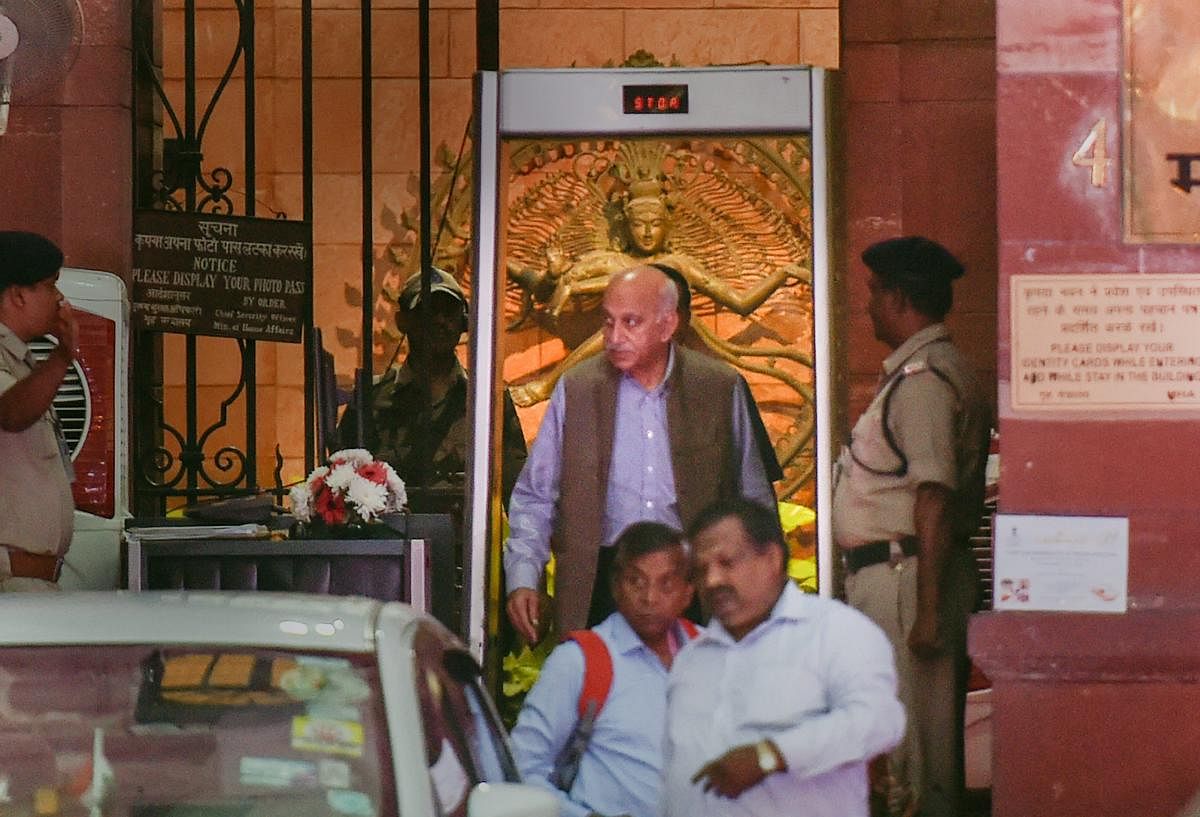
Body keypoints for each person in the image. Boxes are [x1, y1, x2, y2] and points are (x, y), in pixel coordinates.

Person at [503, 264, 777, 643]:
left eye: (631, 323)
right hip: (601, 583)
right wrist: (523, 578)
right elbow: (535, 497)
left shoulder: (718, 388)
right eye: (608, 322)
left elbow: (754, 502)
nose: (615, 337)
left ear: (668, 326)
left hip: (694, 584)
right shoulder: (578, 389)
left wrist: (762, 595)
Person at [831, 236, 991, 817]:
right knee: (909, 747)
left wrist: (925, 610)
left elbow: (935, 498)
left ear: (900, 298)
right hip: (905, 575)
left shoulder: (922, 381)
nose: (867, 306)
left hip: (907, 577)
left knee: (917, 755)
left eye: (875, 293)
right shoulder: (919, 373)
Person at [663, 497, 905, 817]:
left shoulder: (835, 632)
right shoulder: (691, 659)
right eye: (701, 570)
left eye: (727, 563)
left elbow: (880, 722)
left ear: (772, 558)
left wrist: (772, 755)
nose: (712, 581)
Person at [511, 521, 696, 817]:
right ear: (615, 586)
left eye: (666, 584)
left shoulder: (713, 656)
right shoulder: (580, 661)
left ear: (688, 593)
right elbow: (522, 767)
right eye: (636, 581)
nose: (649, 597)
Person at [337, 267, 527, 507]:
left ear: (464, 323)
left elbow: (519, 496)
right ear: (402, 321)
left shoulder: (490, 402)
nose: (439, 321)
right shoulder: (369, 400)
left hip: (467, 543)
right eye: (427, 311)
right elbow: (338, 490)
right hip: (390, 541)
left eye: (449, 312)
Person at [0, 231, 77, 592]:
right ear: (17, 295)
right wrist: (63, 355)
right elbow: (13, 412)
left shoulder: (23, 360)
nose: (59, 298)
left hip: (33, 581)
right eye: (50, 285)